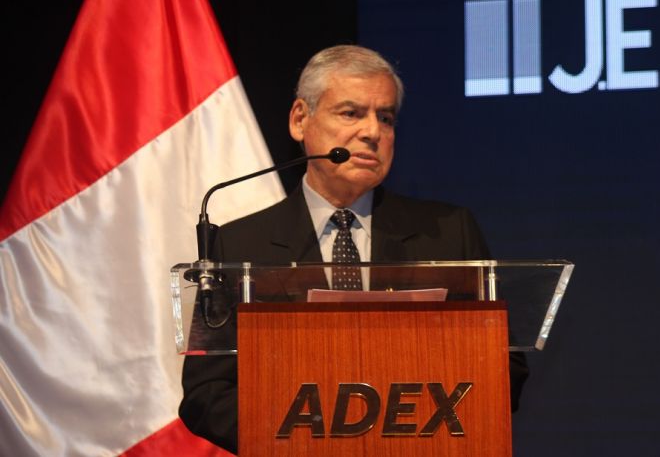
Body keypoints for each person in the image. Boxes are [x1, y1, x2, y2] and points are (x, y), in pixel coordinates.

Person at [179, 45, 528, 454]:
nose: (372, 132)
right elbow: (207, 391)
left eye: (386, 118)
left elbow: (505, 367)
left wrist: (409, 424)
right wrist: (300, 437)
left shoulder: (448, 233)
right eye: (351, 113)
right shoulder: (240, 245)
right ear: (300, 119)